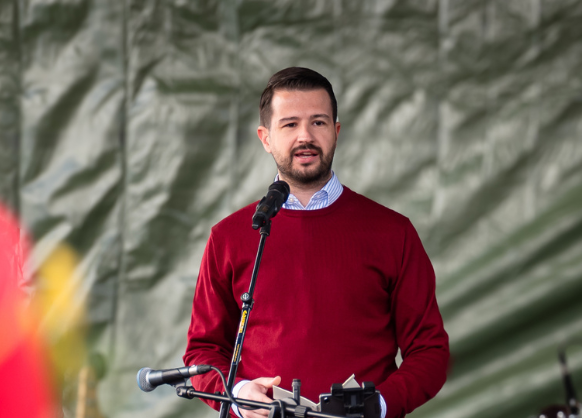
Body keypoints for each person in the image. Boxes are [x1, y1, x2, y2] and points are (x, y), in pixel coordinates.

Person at [183, 67, 449, 418]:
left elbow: (430, 350)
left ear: (336, 132)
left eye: (318, 122)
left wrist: (378, 406)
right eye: (290, 124)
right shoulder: (229, 237)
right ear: (266, 138)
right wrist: (239, 394)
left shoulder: (392, 232)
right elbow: (203, 351)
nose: (305, 136)